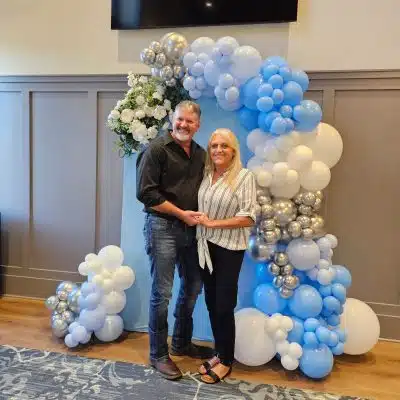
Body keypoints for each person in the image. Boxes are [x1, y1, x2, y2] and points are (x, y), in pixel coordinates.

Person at [136, 100, 214, 381]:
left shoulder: (201, 154)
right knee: (163, 292)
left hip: (191, 231)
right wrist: (182, 214)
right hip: (162, 228)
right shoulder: (156, 149)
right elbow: (146, 194)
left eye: (189, 121)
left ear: (198, 125)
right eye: (180, 119)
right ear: (172, 119)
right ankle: (158, 354)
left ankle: (181, 342)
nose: (183, 125)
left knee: (193, 287)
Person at [195, 128, 257, 384]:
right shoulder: (206, 174)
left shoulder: (244, 176)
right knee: (211, 302)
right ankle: (219, 353)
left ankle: (227, 361)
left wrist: (213, 223)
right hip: (204, 246)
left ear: (233, 150)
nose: (218, 150)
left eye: (224, 146)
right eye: (214, 146)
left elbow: (248, 217)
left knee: (224, 304)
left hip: (229, 249)